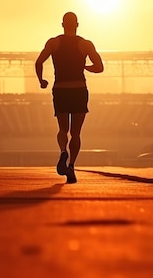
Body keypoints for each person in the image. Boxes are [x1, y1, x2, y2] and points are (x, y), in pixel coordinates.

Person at [35, 12, 104, 183]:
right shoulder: (85, 44)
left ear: (62, 25)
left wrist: (42, 80)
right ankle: (71, 165)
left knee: (63, 129)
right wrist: (85, 67)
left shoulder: (54, 42)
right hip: (79, 89)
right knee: (76, 133)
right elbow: (100, 67)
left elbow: (38, 62)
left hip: (60, 89)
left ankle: (62, 152)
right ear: (77, 25)